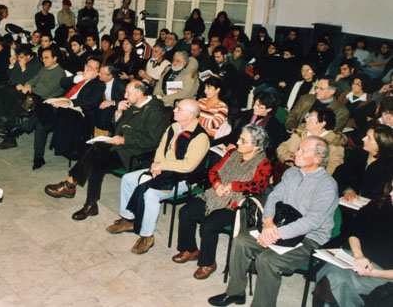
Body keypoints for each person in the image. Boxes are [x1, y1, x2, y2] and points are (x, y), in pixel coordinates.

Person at [208, 136, 338, 307]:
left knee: (267, 260)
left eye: (302, 151)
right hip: (278, 226)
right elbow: (274, 197)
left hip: (309, 239)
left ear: (317, 159)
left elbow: (311, 222)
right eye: (298, 148)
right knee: (241, 241)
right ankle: (235, 293)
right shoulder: (292, 172)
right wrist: (268, 221)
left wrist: (274, 233)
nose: (296, 153)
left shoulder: (327, 185)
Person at [44, 81, 168, 221]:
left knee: (97, 152)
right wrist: (119, 112)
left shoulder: (155, 111)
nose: (125, 96)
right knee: (96, 155)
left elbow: (152, 141)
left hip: (137, 154)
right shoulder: (133, 105)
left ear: (139, 93)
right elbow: (118, 127)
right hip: (123, 148)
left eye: (128, 93)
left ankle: (71, 184)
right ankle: (89, 204)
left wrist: (124, 140)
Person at [106, 99, 209, 254]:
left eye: (178, 109)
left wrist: (162, 166)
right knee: (128, 179)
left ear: (190, 115)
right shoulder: (173, 127)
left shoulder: (200, 137)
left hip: (183, 179)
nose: (174, 111)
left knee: (151, 194)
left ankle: (147, 236)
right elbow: (161, 148)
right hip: (162, 169)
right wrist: (157, 165)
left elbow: (189, 165)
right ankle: (128, 219)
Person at [174, 125, 272, 279]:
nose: (238, 142)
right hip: (216, 194)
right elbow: (214, 171)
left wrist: (233, 186)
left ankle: (208, 262)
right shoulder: (232, 153)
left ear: (256, 147)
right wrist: (218, 185)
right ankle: (190, 249)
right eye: (240, 138)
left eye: (243, 141)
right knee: (186, 212)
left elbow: (258, 186)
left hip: (237, 204)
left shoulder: (263, 163)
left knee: (208, 226)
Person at [313, 179, 393, 307]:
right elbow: (353, 231)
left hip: (384, 275)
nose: (391, 194)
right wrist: (359, 255)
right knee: (332, 275)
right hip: (355, 259)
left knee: (333, 278)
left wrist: (372, 273)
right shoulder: (379, 204)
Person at [0, 46, 67, 152]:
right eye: (42, 58)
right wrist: (27, 85)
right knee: (8, 95)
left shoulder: (59, 73)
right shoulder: (44, 68)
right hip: (35, 94)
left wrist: (28, 88)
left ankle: (8, 133)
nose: (43, 60)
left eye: (46, 58)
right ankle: (4, 127)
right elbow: (33, 80)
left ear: (55, 58)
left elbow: (45, 91)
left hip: (44, 100)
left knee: (13, 101)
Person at [0, 44, 41, 135]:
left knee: (2, 99)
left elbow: (29, 83)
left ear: (29, 56)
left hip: (22, 92)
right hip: (10, 87)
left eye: (21, 57)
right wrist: (11, 66)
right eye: (18, 57)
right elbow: (10, 77)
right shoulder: (20, 60)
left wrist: (24, 69)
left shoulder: (37, 65)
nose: (19, 59)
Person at [214, 91, 283, 162]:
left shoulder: (274, 126)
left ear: (269, 109)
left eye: (260, 107)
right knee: (214, 153)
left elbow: (269, 149)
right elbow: (236, 132)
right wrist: (232, 143)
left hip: (254, 155)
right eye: (255, 104)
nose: (254, 108)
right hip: (238, 146)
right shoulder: (249, 115)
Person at [277, 108, 345, 175]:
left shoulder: (334, 145)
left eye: (311, 118)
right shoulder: (300, 133)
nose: (306, 119)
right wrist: (292, 158)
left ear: (322, 123)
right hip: (287, 172)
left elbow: (331, 170)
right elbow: (281, 148)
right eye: (308, 117)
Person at [334, 124, 393, 201]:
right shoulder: (357, 154)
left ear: (381, 143)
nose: (363, 139)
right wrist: (348, 189)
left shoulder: (389, 166)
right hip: (347, 202)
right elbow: (340, 174)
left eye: (369, 138)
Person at [284, 77, 350, 132]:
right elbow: (292, 116)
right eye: (316, 87)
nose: (316, 91)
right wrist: (292, 128)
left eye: (321, 88)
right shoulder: (305, 98)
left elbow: (333, 133)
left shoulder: (341, 111)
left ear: (332, 92)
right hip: (295, 132)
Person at [94, 64, 128, 132]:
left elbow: (128, 101)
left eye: (102, 73)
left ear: (110, 76)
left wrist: (113, 102)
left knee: (103, 120)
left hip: (115, 105)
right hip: (102, 101)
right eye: (99, 72)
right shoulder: (98, 79)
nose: (99, 74)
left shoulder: (122, 86)